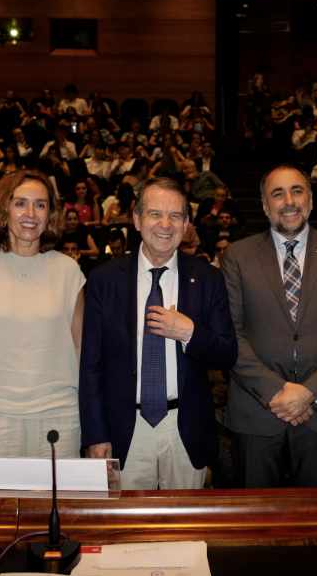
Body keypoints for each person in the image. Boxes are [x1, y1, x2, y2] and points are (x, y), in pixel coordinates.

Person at [79, 177, 236, 489]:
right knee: (127, 535)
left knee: (186, 531)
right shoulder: (104, 281)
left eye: (176, 216)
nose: (165, 225)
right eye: (155, 214)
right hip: (125, 431)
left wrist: (190, 332)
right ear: (137, 220)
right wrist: (96, 434)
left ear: (187, 223)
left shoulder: (208, 278)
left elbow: (226, 352)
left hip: (185, 430)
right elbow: (91, 366)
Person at [221, 165, 317, 487]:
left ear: (311, 200)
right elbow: (231, 334)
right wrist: (278, 391)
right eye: (277, 193)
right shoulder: (237, 256)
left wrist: (309, 392)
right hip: (257, 411)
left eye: (297, 191)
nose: (289, 201)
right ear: (264, 205)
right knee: (256, 522)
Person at [0, 170, 85, 460]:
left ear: (50, 214)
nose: (31, 213)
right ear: (3, 208)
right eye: (20, 203)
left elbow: (80, 349)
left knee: (57, 506)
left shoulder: (68, 271)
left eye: (40, 204)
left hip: (59, 416)